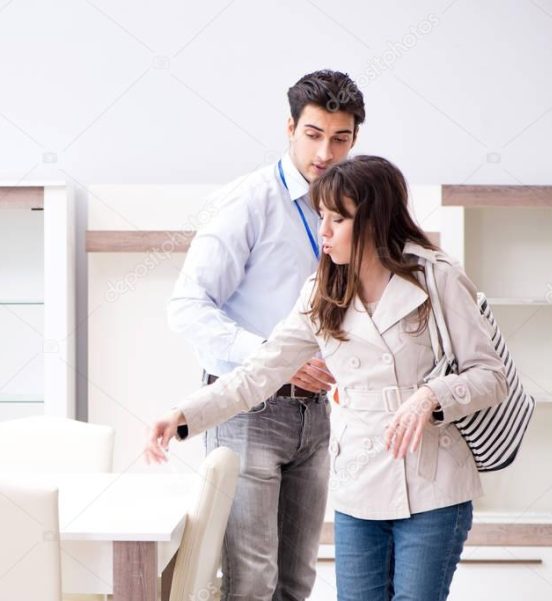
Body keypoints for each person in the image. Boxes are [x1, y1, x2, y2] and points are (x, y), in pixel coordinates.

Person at [148, 155, 507, 600]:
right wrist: (183, 415)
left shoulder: (437, 278)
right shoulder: (322, 290)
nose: (324, 232)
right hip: (360, 485)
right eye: (323, 217)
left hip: (434, 486)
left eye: (338, 219)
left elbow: (490, 376)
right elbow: (259, 374)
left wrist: (429, 396)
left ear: (375, 221)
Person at [165, 69, 365, 600]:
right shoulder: (248, 202)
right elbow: (186, 307)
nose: (325, 151)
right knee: (252, 582)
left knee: (297, 581)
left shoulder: (348, 210)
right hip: (247, 413)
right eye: (313, 134)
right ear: (290, 128)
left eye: (340, 138)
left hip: (315, 414)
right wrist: (272, 359)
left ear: (355, 139)